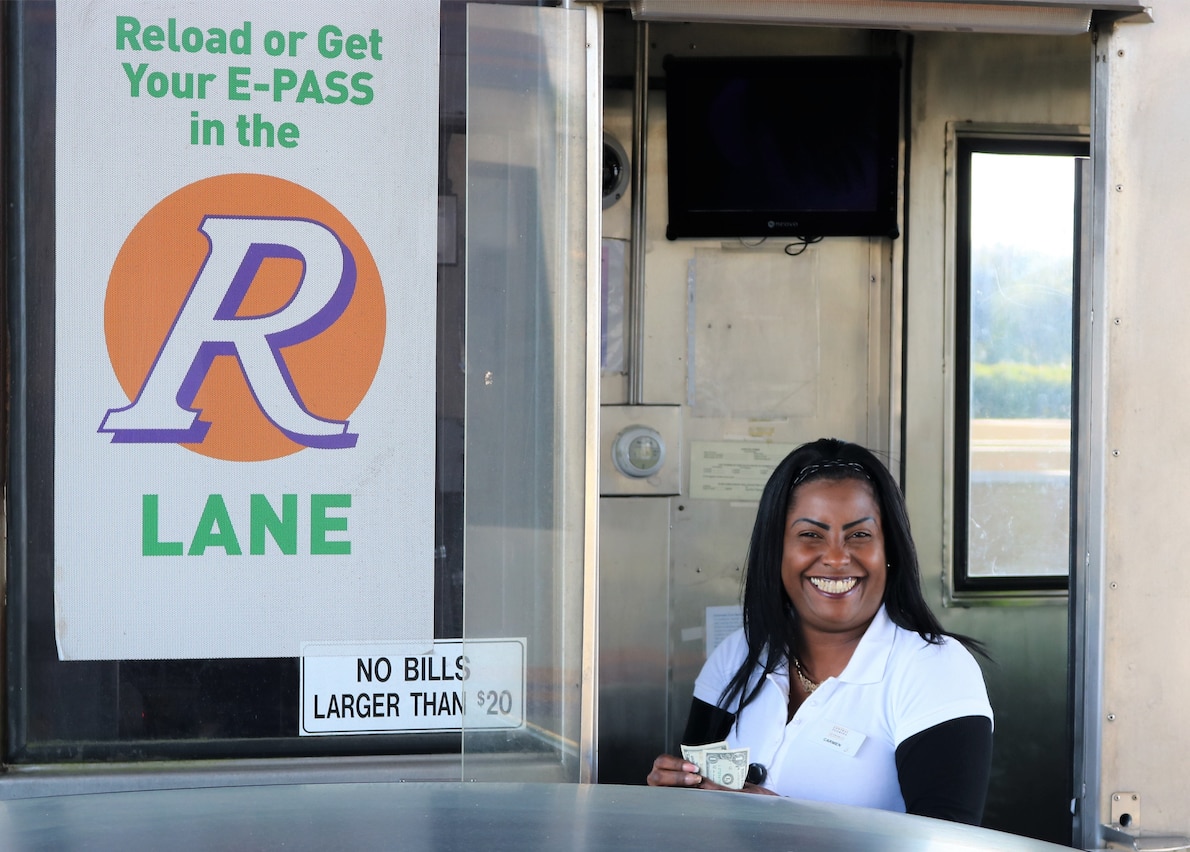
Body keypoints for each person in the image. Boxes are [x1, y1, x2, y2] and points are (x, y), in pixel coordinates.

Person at [647, 438, 993, 825]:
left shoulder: (933, 669)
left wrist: (786, 821)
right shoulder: (738, 655)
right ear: (776, 551)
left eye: (859, 535)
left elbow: (951, 844)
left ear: (889, 551)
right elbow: (695, 817)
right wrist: (674, 795)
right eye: (811, 535)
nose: (836, 557)